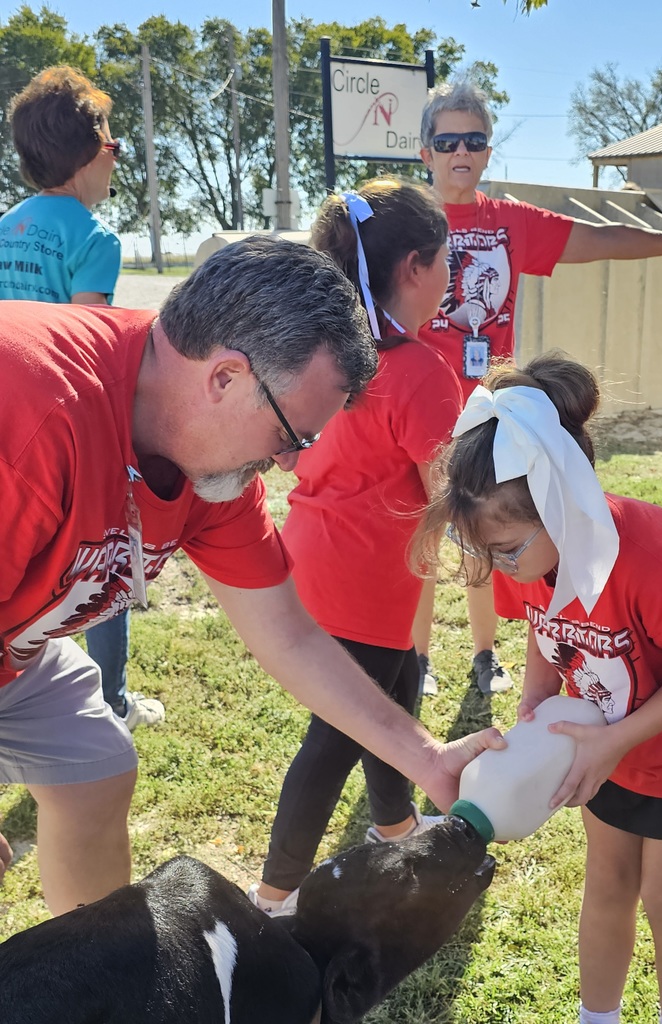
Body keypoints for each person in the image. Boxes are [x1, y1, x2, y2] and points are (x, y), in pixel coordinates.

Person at [0, 236, 501, 916]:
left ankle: (95, 974)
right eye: (289, 436)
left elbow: (288, 635)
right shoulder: (28, 404)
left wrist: (426, 758)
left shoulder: (211, 470)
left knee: (95, 770)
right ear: (226, 377)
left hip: (18, 645)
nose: (290, 465)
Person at [415, 352, 662, 1024]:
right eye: (484, 553)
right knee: (607, 878)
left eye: (507, 550)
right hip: (602, 737)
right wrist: (535, 698)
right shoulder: (524, 550)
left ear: (563, 506)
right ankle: (596, 1017)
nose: (498, 567)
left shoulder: (654, 560)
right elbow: (540, 624)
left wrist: (617, 740)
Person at [414, 79, 662, 696]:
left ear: (486, 150)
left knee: (490, 537)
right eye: (446, 140)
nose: (461, 152)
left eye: (474, 140)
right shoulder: (410, 222)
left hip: (491, 414)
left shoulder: (506, 220)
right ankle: (418, 660)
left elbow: (598, 238)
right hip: (420, 409)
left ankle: (484, 655)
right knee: (427, 536)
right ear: (425, 152)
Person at [248, 179, 463, 917]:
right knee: (335, 737)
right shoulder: (420, 371)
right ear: (413, 267)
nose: (450, 275)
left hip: (313, 560)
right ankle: (273, 896)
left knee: (395, 687)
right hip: (368, 577)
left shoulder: (320, 352)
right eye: (446, 260)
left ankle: (395, 822)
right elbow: (451, 486)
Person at [0, 66, 162, 731]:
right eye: (115, 140)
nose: (118, 151)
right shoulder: (95, 239)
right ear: (93, 151)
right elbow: (93, 344)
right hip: (65, 423)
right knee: (104, 563)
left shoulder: (5, 225)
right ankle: (111, 702)